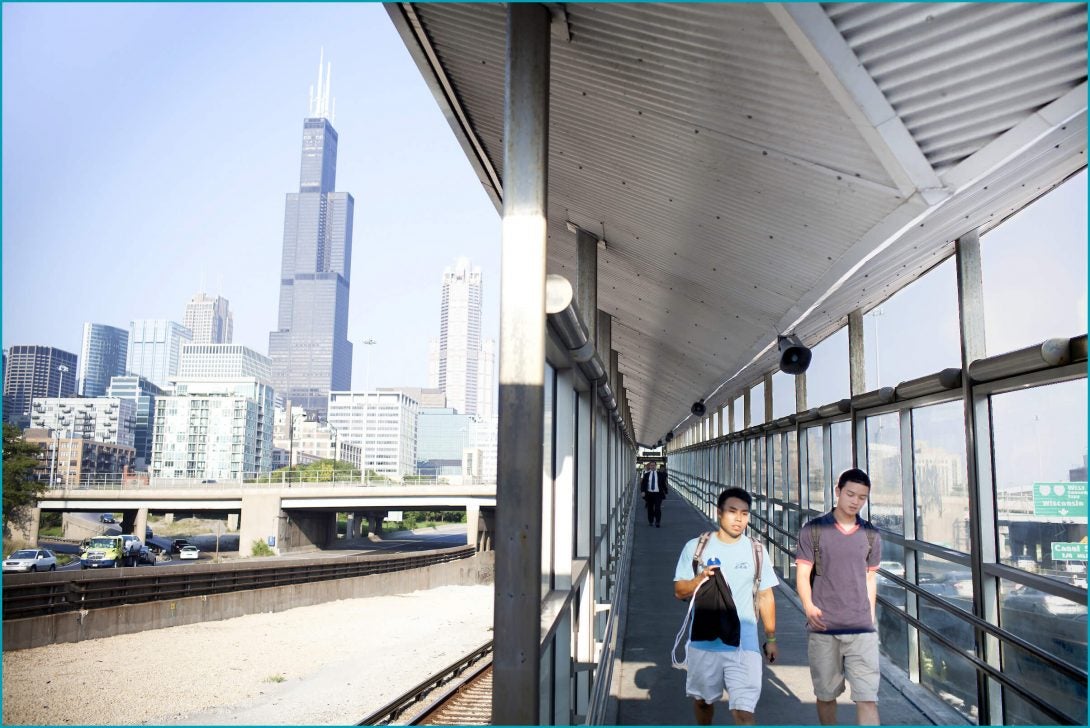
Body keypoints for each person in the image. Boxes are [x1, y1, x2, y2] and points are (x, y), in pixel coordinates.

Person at [674, 487, 779, 725]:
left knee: (743, 712)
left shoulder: (756, 551)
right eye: (732, 512)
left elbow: (765, 596)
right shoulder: (695, 548)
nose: (739, 518)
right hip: (704, 641)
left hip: (745, 643)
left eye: (744, 513)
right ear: (719, 513)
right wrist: (699, 579)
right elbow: (679, 591)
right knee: (703, 701)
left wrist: (771, 639)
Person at [796, 468, 882, 726]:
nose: (855, 501)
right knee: (825, 695)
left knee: (868, 697)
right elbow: (803, 574)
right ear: (838, 491)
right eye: (850, 494)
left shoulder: (871, 534)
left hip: (861, 630)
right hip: (824, 626)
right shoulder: (813, 530)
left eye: (862, 497)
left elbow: (870, 578)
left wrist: (870, 619)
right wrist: (809, 608)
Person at [640, 461, 668, 526]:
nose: (652, 466)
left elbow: (663, 484)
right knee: (650, 508)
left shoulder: (660, 474)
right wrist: (643, 491)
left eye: (653, 465)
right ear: (650, 466)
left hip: (658, 494)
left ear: (656, 466)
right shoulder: (646, 475)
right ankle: (651, 521)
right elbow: (643, 484)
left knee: (657, 508)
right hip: (649, 494)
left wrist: (666, 491)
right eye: (651, 465)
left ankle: (658, 522)